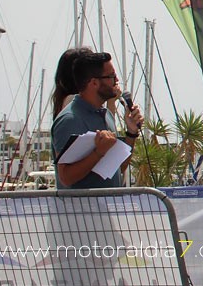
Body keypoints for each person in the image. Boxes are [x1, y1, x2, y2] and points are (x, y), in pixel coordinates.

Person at [51, 51, 142, 189]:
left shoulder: (107, 115)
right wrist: (98, 152)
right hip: (81, 210)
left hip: (106, 208)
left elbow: (118, 168)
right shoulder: (70, 119)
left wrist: (131, 133)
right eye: (111, 76)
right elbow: (65, 177)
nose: (116, 80)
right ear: (94, 82)